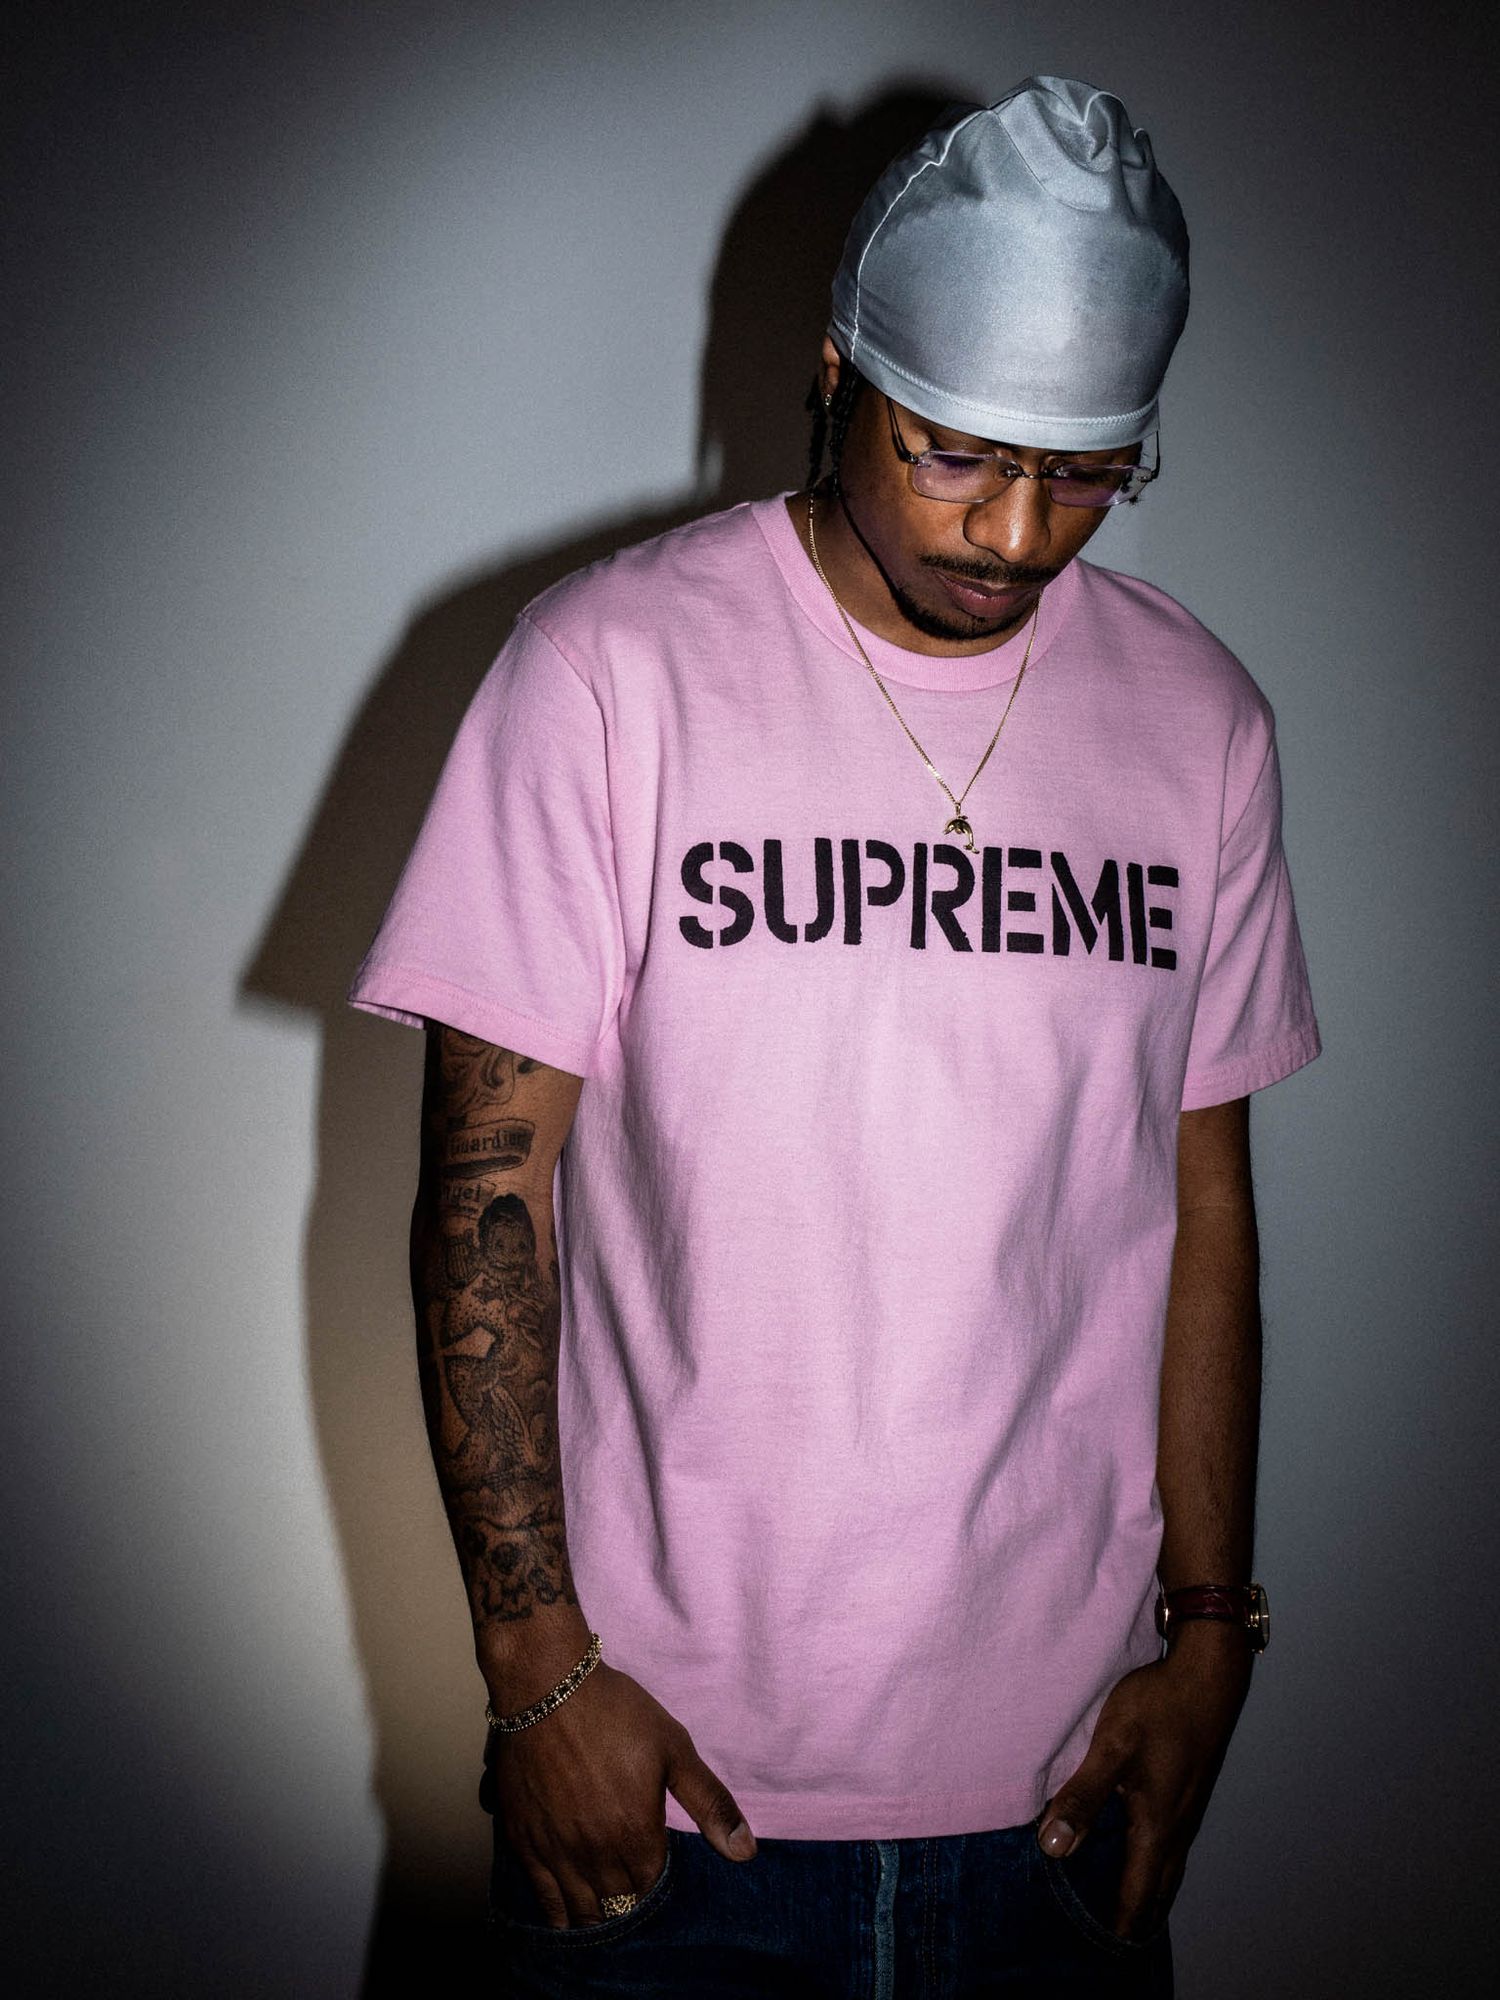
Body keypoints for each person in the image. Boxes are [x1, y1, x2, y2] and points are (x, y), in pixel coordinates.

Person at [349, 74, 1320, 1997]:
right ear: (834, 372)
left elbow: (1200, 1202)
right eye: (955, 454)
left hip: (1062, 1800)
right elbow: (486, 1192)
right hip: (675, 1802)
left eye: (1088, 475)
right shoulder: (607, 674)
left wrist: (1212, 1633)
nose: (1017, 534)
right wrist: (535, 1670)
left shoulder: (1202, 722)